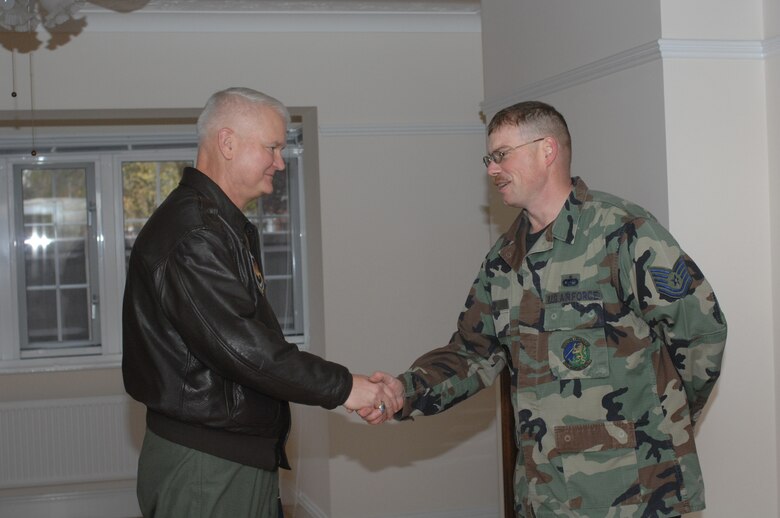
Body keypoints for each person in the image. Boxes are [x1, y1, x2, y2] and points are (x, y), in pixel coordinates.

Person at [363, 101, 727, 517]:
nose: (491, 170)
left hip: (633, 493)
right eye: (489, 158)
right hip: (543, 495)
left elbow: (701, 332)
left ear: (547, 150)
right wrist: (401, 392)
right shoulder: (503, 262)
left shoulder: (623, 232)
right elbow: (472, 353)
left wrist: (670, 416)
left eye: (501, 155)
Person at [122, 87, 401, 518]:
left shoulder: (217, 225)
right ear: (228, 143)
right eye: (272, 147)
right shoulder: (194, 234)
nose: (279, 161)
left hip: (225, 455)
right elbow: (243, 348)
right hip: (208, 465)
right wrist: (346, 387)